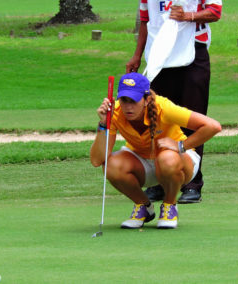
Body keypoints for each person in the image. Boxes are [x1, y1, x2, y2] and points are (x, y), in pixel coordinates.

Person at [90, 73, 221, 229]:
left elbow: (213, 126)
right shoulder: (115, 112)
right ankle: (143, 206)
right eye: (124, 100)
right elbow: (97, 160)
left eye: (133, 101)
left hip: (179, 162)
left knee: (166, 158)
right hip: (143, 163)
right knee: (110, 165)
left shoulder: (163, 107)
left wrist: (181, 146)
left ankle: (169, 206)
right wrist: (104, 124)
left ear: (146, 100)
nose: (128, 107)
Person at [126, 0, 222, 204]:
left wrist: (188, 16)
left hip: (193, 54)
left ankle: (192, 184)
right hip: (159, 56)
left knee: (193, 120)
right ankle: (159, 182)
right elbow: (145, 21)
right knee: (157, 119)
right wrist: (137, 56)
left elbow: (215, 12)